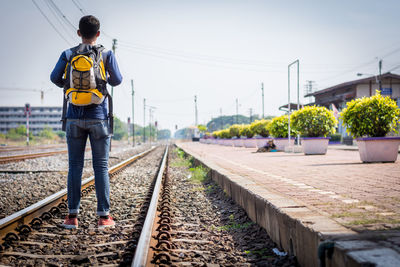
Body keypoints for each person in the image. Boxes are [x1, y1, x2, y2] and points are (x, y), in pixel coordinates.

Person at [50, 15, 122, 229]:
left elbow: (54, 77)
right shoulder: (107, 54)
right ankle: (103, 217)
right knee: (100, 166)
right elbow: (117, 80)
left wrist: (70, 86)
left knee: (75, 166)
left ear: (79, 32)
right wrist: (101, 80)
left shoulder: (68, 53)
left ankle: (72, 217)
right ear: (98, 34)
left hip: (73, 116)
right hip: (98, 116)